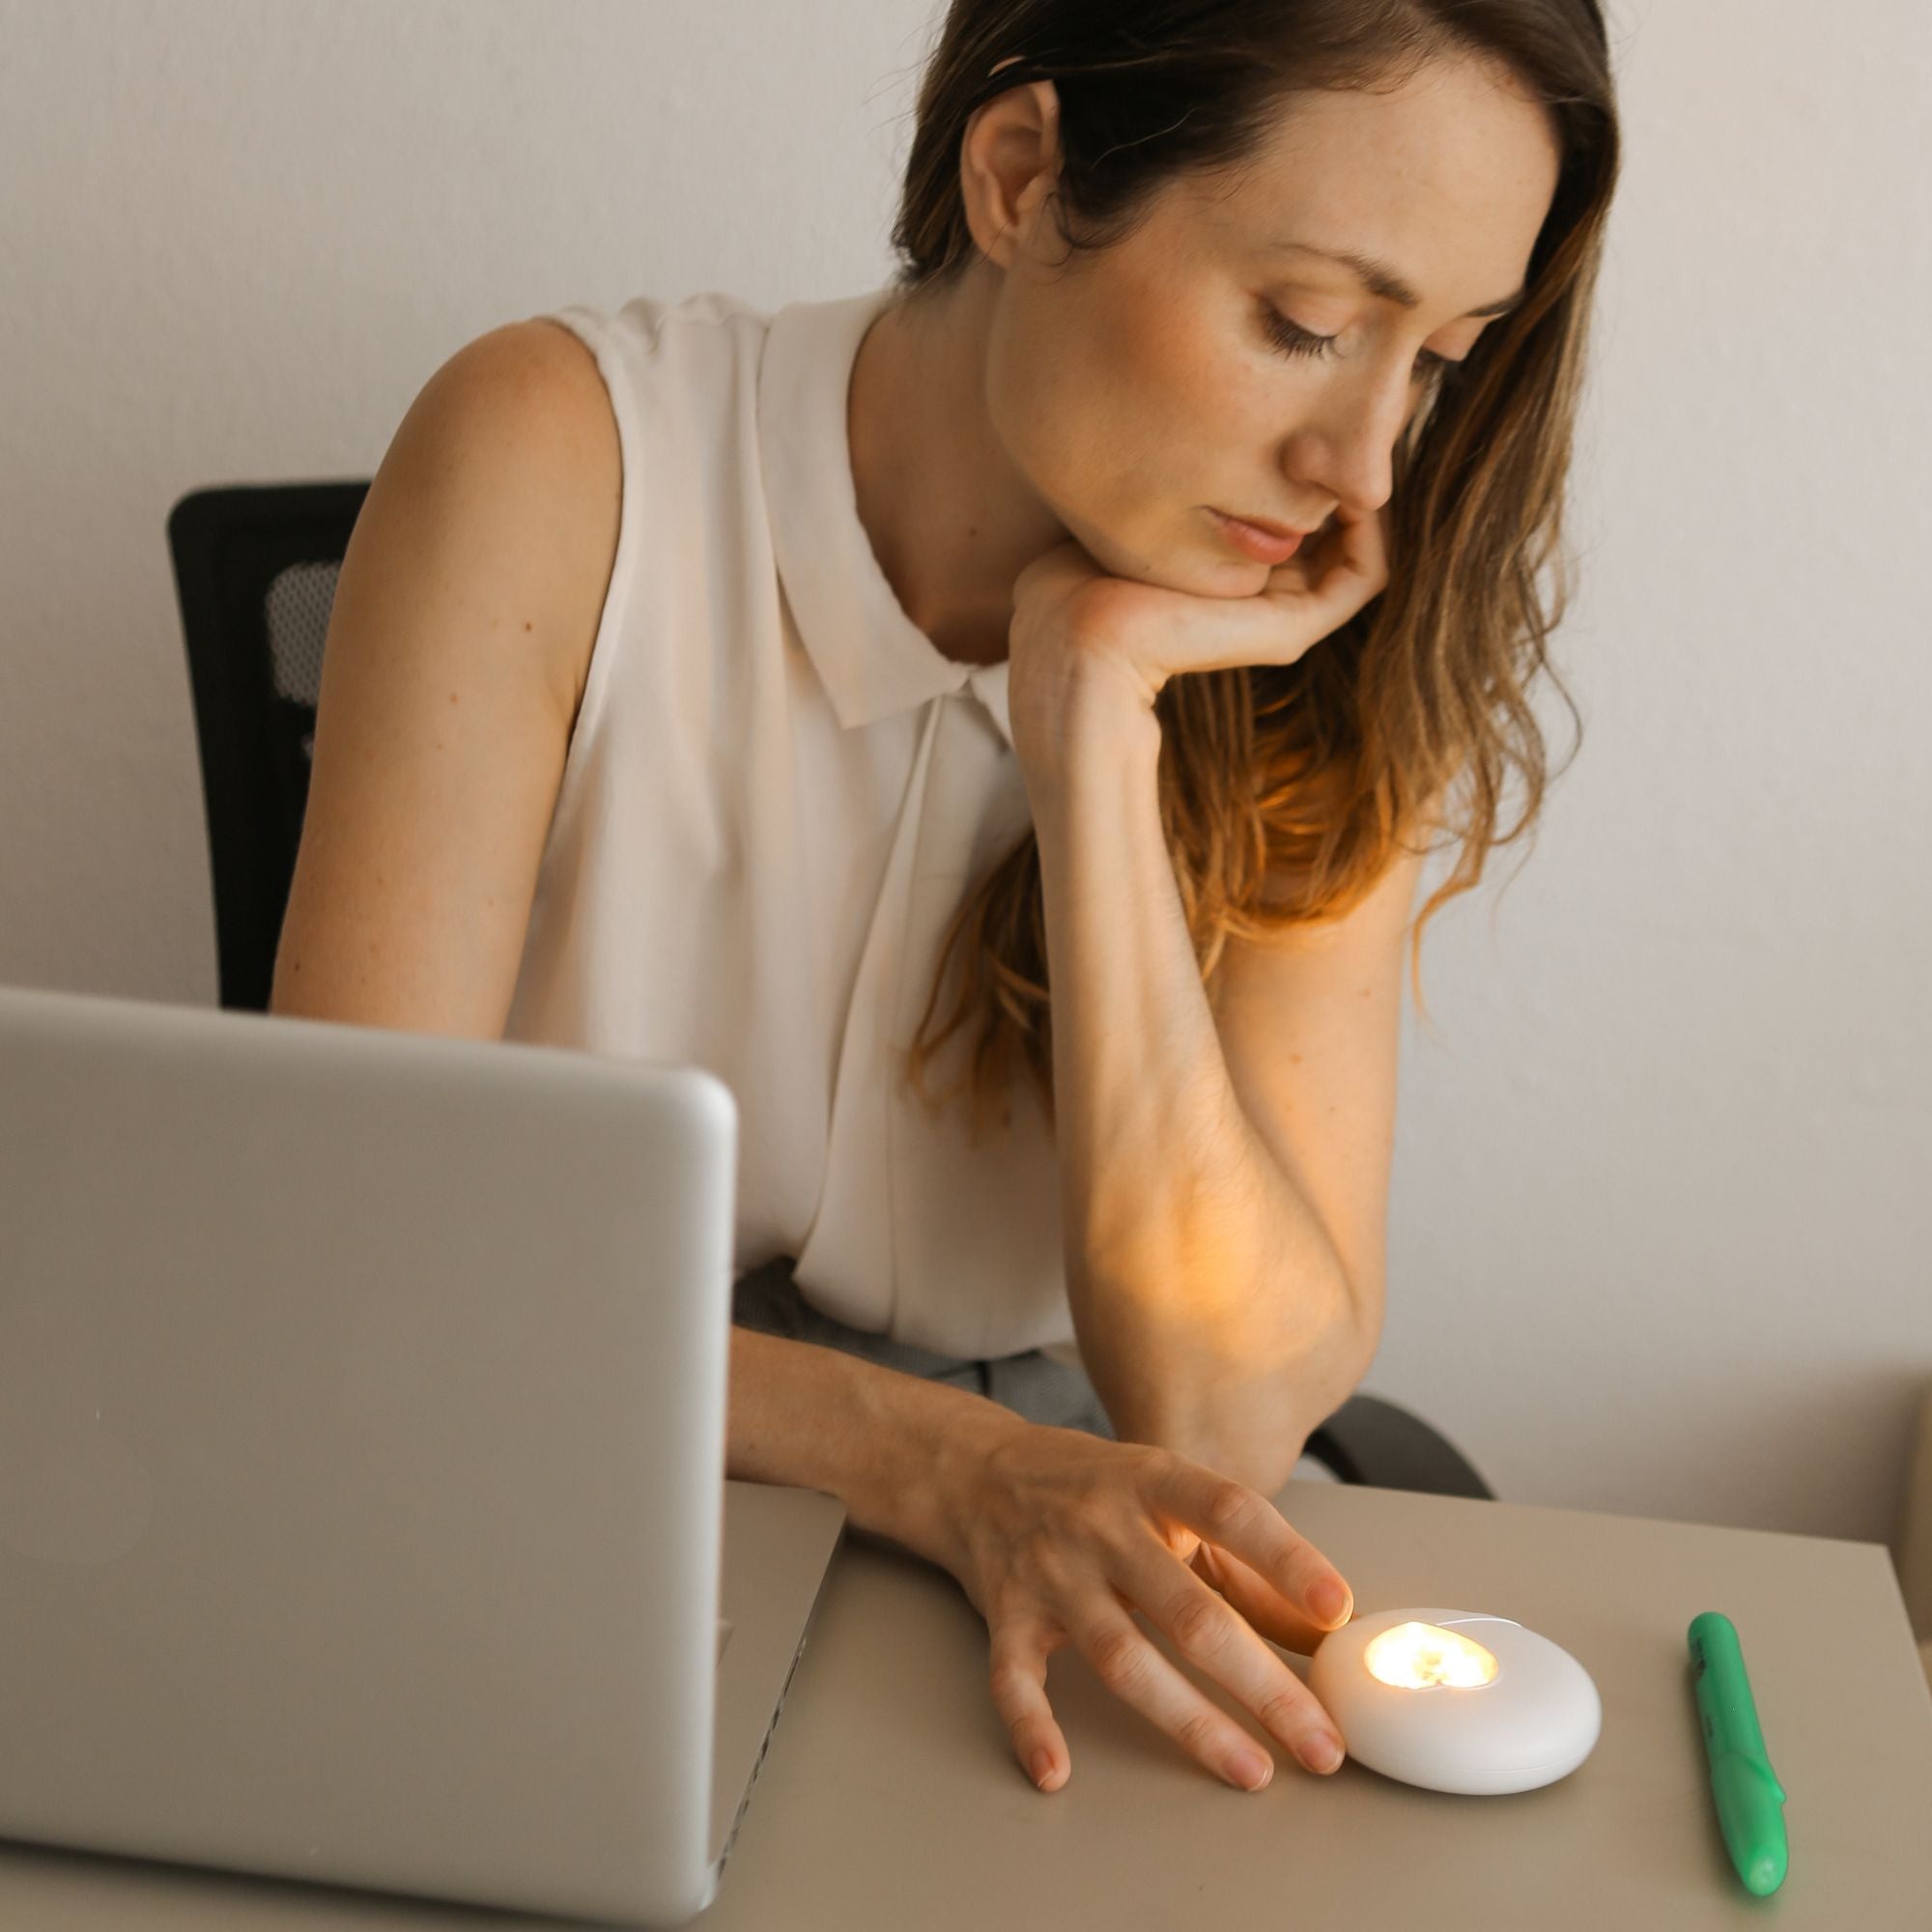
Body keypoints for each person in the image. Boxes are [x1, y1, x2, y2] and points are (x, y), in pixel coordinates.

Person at [270, 0, 1619, 1801]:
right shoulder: (561, 459)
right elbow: (356, 1250)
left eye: (1440, 358)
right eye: (1305, 322)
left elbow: (1221, 1417)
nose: (1365, 466)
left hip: (1056, 1567)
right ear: (1023, 175)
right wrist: (944, 1462)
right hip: (543, 1474)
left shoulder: (1326, 633)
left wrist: (1090, 725)